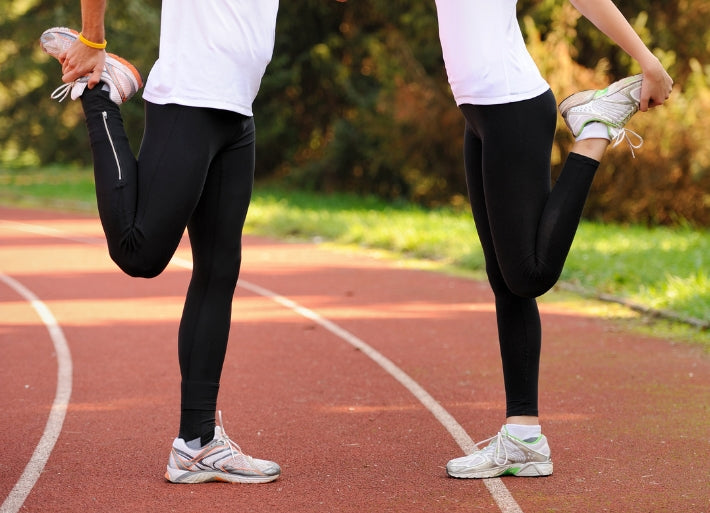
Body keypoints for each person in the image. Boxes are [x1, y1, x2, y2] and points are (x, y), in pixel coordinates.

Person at [40, 0, 282, 484]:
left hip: (238, 109)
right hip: (189, 98)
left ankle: (197, 443)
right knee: (140, 253)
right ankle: (100, 93)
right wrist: (91, 40)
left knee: (218, 273)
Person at [433, 0, 673, 479]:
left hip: (510, 107)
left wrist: (648, 62)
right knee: (506, 279)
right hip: (481, 111)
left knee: (530, 274)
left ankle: (596, 128)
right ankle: (524, 439)